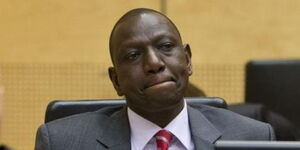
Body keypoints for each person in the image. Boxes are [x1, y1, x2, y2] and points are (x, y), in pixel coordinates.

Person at [34, 8, 275, 150]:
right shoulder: (63, 143)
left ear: (188, 60)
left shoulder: (252, 138)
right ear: (115, 80)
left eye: (166, 46)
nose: (154, 63)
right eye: (133, 55)